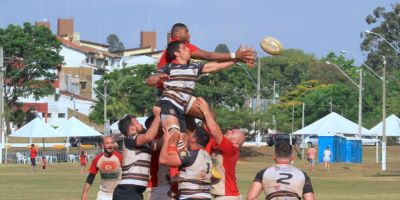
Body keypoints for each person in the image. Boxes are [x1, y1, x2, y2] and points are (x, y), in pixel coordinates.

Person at [197, 97, 245, 199]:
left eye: (232, 132)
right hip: (221, 195)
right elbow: (207, 128)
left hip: (228, 196)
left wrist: (206, 111)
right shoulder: (218, 146)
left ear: (235, 142)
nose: (228, 131)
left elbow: (216, 132)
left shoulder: (232, 150)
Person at [157, 23, 255, 70]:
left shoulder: (176, 47)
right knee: (204, 110)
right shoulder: (181, 46)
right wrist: (234, 55)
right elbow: (208, 56)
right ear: (176, 34)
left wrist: (236, 59)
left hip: (172, 89)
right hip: (169, 90)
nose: (189, 34)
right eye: (186, 31)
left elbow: (212, 67)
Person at [112, 106, 161, 200]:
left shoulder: (144, 144)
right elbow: (149, 136)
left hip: (134, 193)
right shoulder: (130, 139)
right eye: (137, 123)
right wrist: (157, 117)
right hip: (127, 193)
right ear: (132, 129)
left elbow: (160, 143)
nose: (141, 124)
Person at [247, 141, 315, 200]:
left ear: (274, 156)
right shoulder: (302, 174)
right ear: (292, 157)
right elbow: (310, 198)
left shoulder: (263, 173)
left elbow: (251, 198)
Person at [159, 125, 212, 200]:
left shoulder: (190, 155)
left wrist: (166, 141)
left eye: (191, 134)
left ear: (193, 139)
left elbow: (163, 160)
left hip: (191, 197)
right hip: (206, 197)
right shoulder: (206, 155)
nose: (189, 135)